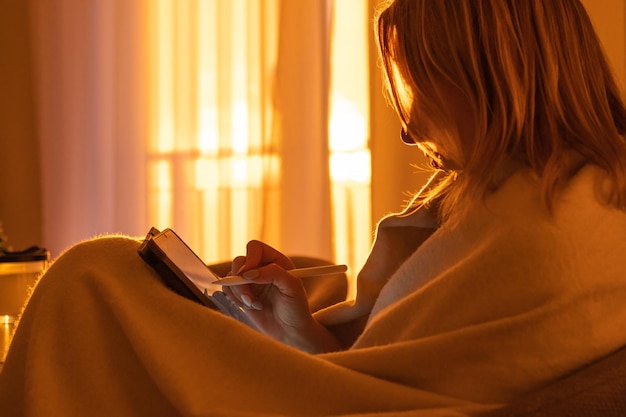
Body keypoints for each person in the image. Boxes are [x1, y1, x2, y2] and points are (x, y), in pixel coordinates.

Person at [2, 0, 626, 415]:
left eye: (419, 88)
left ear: (481, 73)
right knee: (108, 280)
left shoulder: (560, 215)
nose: (409, 132)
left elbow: (385, 398)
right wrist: (302, 332)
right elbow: (399, 373)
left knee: (94, 281)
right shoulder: (539, 191)